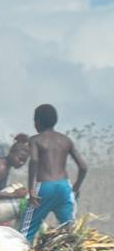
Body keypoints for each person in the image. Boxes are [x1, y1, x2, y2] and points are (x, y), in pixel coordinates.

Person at [20, 104, 88, 242]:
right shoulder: (66, 140)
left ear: (37, 122)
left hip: (44, 187)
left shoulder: (35, 140)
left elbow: (33, 160)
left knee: (26, 231)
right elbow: (83, 166)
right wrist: (76, 187)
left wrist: (32, 190)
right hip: (64, 187)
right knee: (71, 231)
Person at [0, 135, 30, 201]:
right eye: (20, 159)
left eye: (24, 161)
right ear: (11, 152)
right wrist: (14, 195)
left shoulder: (6, 166)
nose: (21, 163)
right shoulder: (1, 167)